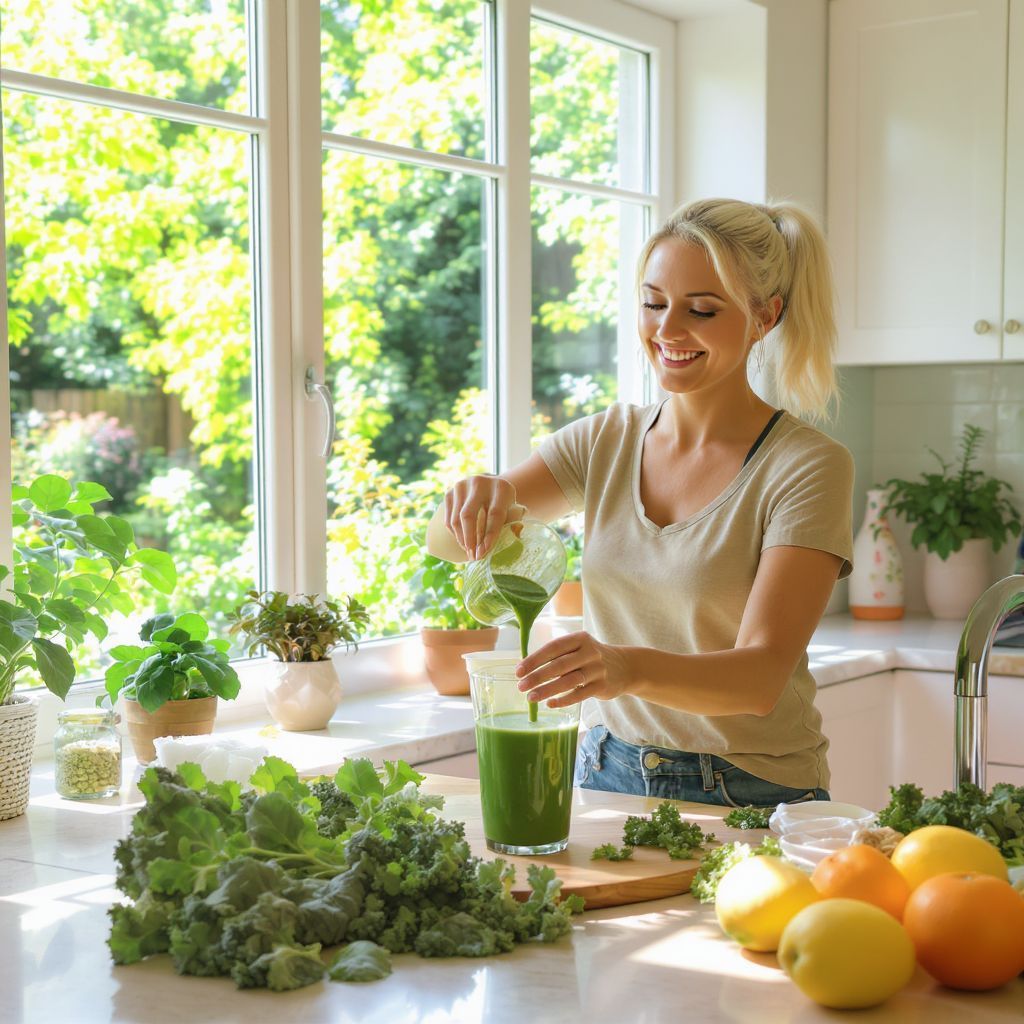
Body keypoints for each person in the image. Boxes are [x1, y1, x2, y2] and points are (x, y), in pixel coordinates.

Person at [426, 197, 854, 808]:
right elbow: (445, 545)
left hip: (751, 787)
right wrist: (471, 497)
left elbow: (761, 677)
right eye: (653, 304)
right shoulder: (605, 440)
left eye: (701, 310)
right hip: (606, 771)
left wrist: (624, 668)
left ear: (765, 316)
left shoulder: (806, 465)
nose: (668, 331)